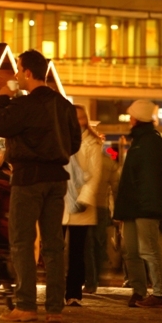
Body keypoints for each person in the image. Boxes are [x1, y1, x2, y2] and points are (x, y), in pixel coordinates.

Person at [0, 49, 81, 323]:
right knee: (53, 244)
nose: (16, 74)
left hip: (28, 179)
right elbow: (73, 143)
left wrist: (2, 97)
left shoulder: (23, 105)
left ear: (27, 73)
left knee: (22, 242)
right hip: (57, 179)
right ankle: (54, 308)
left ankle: (26, 304)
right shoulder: (64, 105)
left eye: (18, 69)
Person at [114, 99, 162, 308]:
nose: (129, 119)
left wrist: (150, 202)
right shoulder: (143, 142)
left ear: (137, 118)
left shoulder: (148, 144)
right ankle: (139, 291)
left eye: (132, 115)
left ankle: (158, 293)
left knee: (147, 249)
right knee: (132, 250)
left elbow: (145, 180)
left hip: (143, 206)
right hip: (136, 205)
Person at [62, 105, 103, 306]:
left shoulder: (92, 143)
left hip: (81, 202)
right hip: (60, 201)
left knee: (77, 252)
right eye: (75, 118)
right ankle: (56, 289)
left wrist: (83, 199)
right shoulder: (61, 139)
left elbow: (95, 174)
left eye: (81, 118)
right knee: (55, 249)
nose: (79, 122)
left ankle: (73, 293)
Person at [84, 149, 119, 293]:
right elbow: (116, 189)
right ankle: (97, 277)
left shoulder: (84, 159)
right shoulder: (109, 162)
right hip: (103, 208)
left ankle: (91, 281)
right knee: (99, 244)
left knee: (87, 246)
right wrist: (116, 211)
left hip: (86, 206)